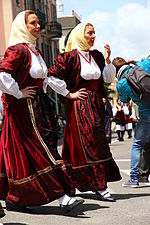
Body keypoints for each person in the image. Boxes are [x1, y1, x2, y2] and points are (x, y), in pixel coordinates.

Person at [0, 10, 84, 213]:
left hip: (39, 106)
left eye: (38, 23)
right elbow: (2, 74)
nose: (38, 26)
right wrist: (18, 93)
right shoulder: (17, 50)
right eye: (33, 23)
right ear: (22, 26)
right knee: (42, 150)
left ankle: (16, 196)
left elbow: (46, 80)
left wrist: (68, 94)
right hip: (26, 109)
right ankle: (63, 197)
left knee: (28, 153)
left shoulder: (33, 51)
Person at [47, 22, 121, 202]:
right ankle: (100, 186)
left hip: (96, 105)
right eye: (90, 33)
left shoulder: (96, 56)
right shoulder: (70, 57)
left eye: (94, 33)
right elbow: (51, 76)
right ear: (81, 35)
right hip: (80, 106)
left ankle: (76, 183)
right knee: (88, 143)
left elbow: (107, 78)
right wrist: (68, 94)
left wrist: (108, 59)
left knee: (94, 143)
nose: (93, 36)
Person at [112, 56, 150, 187]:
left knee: (137, 145)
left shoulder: (121, 84)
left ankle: (134, 179)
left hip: (146, 115)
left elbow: (124, 101)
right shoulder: (142, 65)